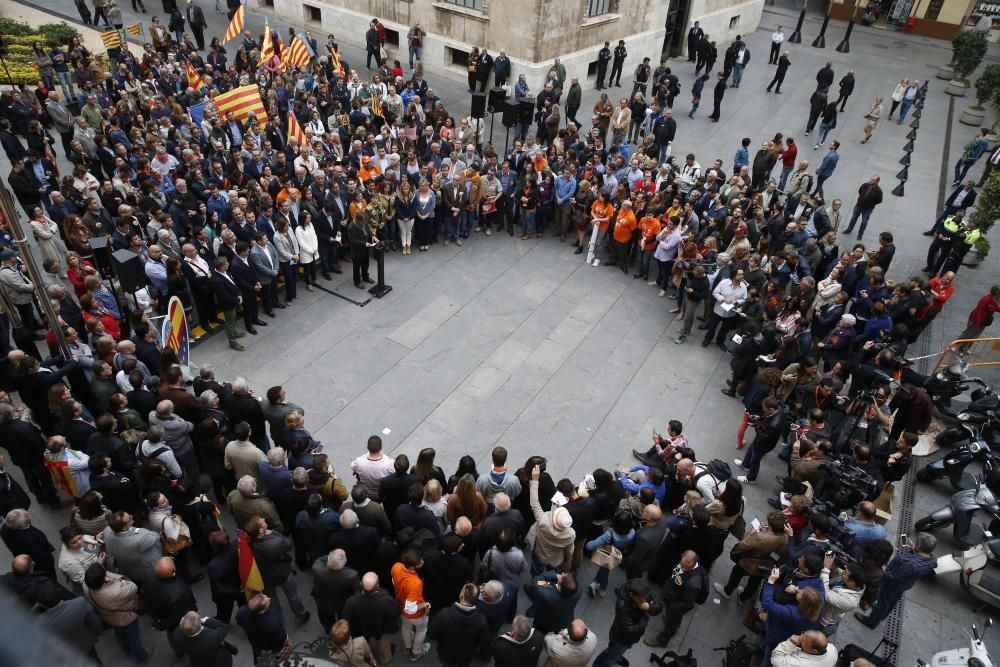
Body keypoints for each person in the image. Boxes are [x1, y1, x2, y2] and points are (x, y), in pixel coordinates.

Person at [855, 533, 937, 628]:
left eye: (916, 544)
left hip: (893, 584)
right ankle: (882, 616)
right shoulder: (932, 559)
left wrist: (884, 570)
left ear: (919, 546)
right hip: (905, 584)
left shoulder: (911, 565)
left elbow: (894, 576)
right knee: (892, 600)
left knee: (883, 602)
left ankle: (872, 622)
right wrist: (914, 548)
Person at [82, 562, 151, 665]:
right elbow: (133, 586)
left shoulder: (85, 585)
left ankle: (125, 649)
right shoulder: (116, 592)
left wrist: (100, 572)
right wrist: (112, 576)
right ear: (103, 578)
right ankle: (141, 657)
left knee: (119, 632)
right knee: (133, 637)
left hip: (108, 617)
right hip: (126, 618)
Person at [591, 579, 662, 666]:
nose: (645, 600)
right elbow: (630, 630)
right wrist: (646, 617)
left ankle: (618, 656)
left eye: (645, 598)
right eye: (641, 599)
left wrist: (650, 607)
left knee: (617, 650)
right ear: (632, 595)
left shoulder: (642, 590)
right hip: (621, 638)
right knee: (610, 655)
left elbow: (659, 604)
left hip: (628, 636)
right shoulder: (623, 606)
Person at [427, 582, 491, 665]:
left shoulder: (444, 613)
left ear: (461, 596)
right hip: (466, 655)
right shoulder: (481, 620)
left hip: (445, 653)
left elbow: (432, 634)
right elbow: (482, 641)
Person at [236, 592, 288, 661]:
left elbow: (239, 621)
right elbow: (281, 637)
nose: (269, 598)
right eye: (267, 601)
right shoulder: (273, 621)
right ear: (262, 610)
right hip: (273, 649)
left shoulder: (242, 612)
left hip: (256, 645)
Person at [843, 176, 883, 240]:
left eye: (873, 180)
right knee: (853, 218)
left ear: (877, 182)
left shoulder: (879, 191)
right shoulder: (865, 185)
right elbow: (860, 191)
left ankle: (860, 234)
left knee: (864, 222)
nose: (871, 180)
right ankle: (849, 229)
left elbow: (879, 200)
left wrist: (871, 203)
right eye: (871, 179)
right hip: (858, 205)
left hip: (868, 209)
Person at [771, 631, 838, 667]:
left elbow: (776, 660)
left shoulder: (796, 664)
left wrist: (789, 643)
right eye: (803, 633)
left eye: (802, 640)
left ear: (814, 650)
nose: (799, 637)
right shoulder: (832, 648)